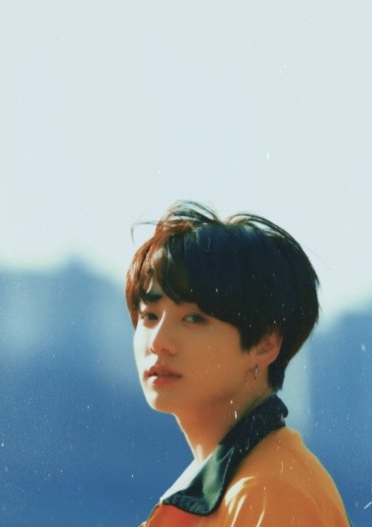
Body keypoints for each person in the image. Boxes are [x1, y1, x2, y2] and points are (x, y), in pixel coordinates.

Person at [125, 201, 352, 526]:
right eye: (149, 315)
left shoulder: (268, 494)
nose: (158, 341)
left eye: (193, 318)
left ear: (265, 343)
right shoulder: (233, 486)